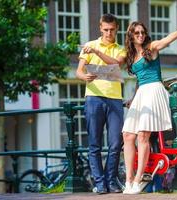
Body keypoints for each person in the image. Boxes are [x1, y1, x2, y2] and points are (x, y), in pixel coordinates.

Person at [121, 21, 177, 194]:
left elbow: (166, 41)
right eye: (137, 33)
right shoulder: (132, 56)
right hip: (141, 94)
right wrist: (133, 98)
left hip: (154, 91)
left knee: (143, 136)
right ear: (131, 36)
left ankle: (139, 179)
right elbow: (139, 80)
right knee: (127, 135)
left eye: (142, 32)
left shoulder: (151, 47)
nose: (140, 35)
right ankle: (128, 179)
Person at [76, 13, 126, 194]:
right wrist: (85, 76)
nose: (108, 33)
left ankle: (111, 181)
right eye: (105, 29)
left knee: (114, 144)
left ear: (117, 29)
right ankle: (99, 183)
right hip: (93, 99)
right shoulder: (89, 45)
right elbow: (78, 72)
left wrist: (97, 53)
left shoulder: (121, 48)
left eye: (112, 30)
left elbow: (115, 65)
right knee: (94, 144)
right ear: (100, 28)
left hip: (115, 100)